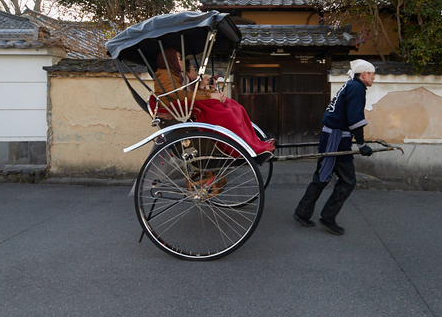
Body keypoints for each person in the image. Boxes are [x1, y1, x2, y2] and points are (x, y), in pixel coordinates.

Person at [293, 59, 376, 235]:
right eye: (372, 74)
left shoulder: (351, 85)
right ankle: (328, 216)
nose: (374, 77)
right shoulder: (357, 88)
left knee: (322, 176)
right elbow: (355, 118)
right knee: (348, 180)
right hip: (336, 138)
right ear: (364, 74)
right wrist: (361, 144)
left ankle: (303, 212)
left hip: (331, 135)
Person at [153, 47, 275, 157]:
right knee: (224, 113)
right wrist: (210, 96)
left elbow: (186, 94)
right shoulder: (165, 75)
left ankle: (253, 142)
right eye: (178, 59)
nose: (180, 62)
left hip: (183, 102)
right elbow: (179, 95)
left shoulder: (173, 74)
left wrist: (210, 94)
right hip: (177, 105)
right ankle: (244, 145)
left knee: (235, 106)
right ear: (169, 60)